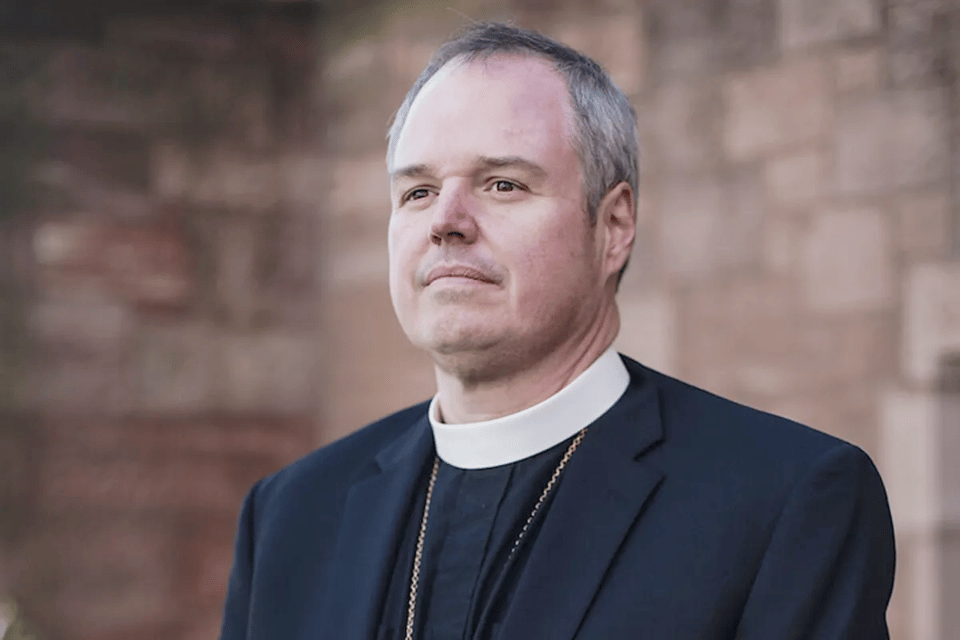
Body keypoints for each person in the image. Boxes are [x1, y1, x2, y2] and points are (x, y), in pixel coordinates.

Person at [219, 22, 895, 640]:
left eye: (503, 184)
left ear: (614, 226)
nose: (445, 221)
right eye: (417, 191)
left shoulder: (784, 503)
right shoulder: (290, 516)